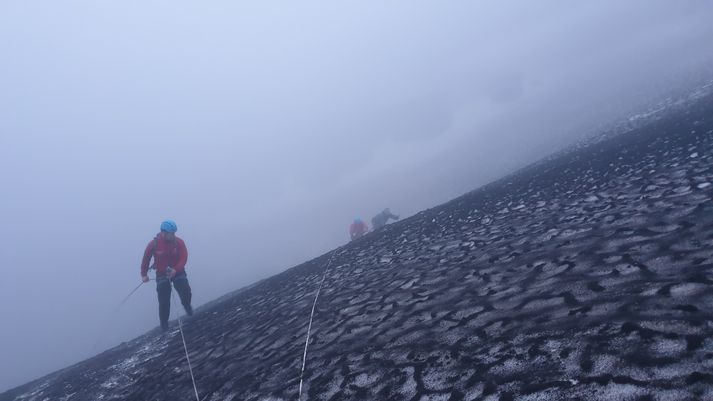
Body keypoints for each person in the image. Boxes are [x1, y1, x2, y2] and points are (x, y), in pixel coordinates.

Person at [141, 220, 193, 331]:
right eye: (171, 233)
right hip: (161, 275)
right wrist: (144, 274)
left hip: (178, 271)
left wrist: (176, 269)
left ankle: (186, 304)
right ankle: (164, 324)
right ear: (164, 233)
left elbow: (184, 257)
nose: (174, 235)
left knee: (186, 291)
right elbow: (146, 259)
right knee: (164, 301)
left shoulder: (179, 242)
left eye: (174, 233)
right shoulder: (153, 245)